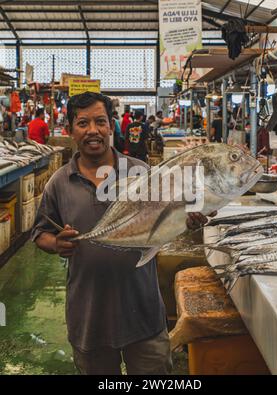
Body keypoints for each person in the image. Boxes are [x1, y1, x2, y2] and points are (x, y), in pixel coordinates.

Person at [31, 92, 214, 375]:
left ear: (111, 125)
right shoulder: (59, 183)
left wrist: (188, 219)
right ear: (70, 130)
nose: (93, 130)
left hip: (143, 315)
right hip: (89, 318)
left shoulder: (142, 173)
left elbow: (170, 216)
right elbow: (40, 232)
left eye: (100, 121)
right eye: (83, 123)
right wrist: (56, 243)